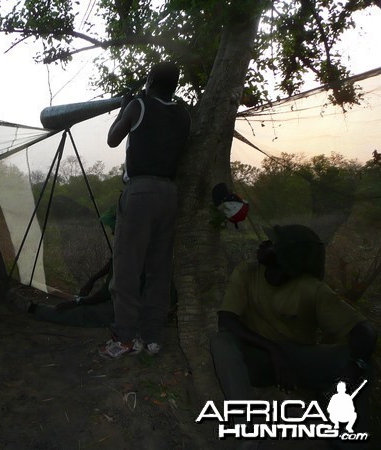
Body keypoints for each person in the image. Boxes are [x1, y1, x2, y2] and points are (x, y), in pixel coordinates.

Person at [210, 224, 377, 430]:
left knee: (359, 363)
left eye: (273, 244)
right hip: (259, 357)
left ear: (287, 256)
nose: (264, 244)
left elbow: (363, 330)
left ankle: (346, 441)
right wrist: (273, 350)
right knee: (222, 342)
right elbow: (226, 320)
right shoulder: (247, 272)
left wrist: (356, 365)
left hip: (298, 362)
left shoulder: (312, 289)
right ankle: (247, 426)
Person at [98, 61, 191, 358]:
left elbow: (113, 139)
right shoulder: (183, 114)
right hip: (170, 192)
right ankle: (152, 337)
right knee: (159, 269)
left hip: (141, 192)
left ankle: (125, 339)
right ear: (175, 86)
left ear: (149, 80)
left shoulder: (138, 105)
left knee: (127, 268)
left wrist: (125, 106)